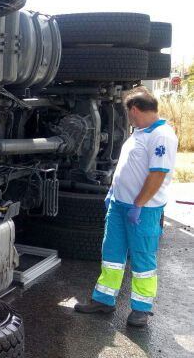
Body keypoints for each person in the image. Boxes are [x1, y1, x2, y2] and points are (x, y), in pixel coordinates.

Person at [74, 87, 177, 327]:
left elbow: (158, 174)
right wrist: (113, 192)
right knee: (111, 255)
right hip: (120, 206)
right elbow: (125, 167)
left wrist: (139, 204)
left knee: (143, 259)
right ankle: (104, 300)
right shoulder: (139, 132)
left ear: (135, 109)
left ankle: (141, 309)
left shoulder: (162, 135)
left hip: (143, 210)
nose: (129, 118)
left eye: (129, 113)